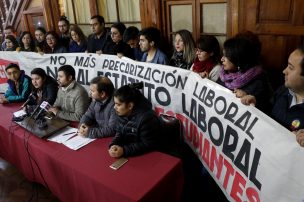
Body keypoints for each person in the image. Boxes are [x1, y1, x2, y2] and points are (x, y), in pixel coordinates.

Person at [217, 36, 272, 113]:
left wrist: (249, 98)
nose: (222, 59)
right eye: (222, 55)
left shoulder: (258, 82)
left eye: (226, 56)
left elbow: (265, 110)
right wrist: (206, 80)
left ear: (238, 58)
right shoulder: (223, 74)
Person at [108, 83, 161, 158]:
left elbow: (148, 144)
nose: (114, 107)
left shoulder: (147, 118)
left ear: (130, 106)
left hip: (151, 157)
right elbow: (119, 132)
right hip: (133, 152)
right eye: (115, 104)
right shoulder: (122, 112)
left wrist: (124, 150)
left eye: (118, 104)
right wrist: (114, 144)